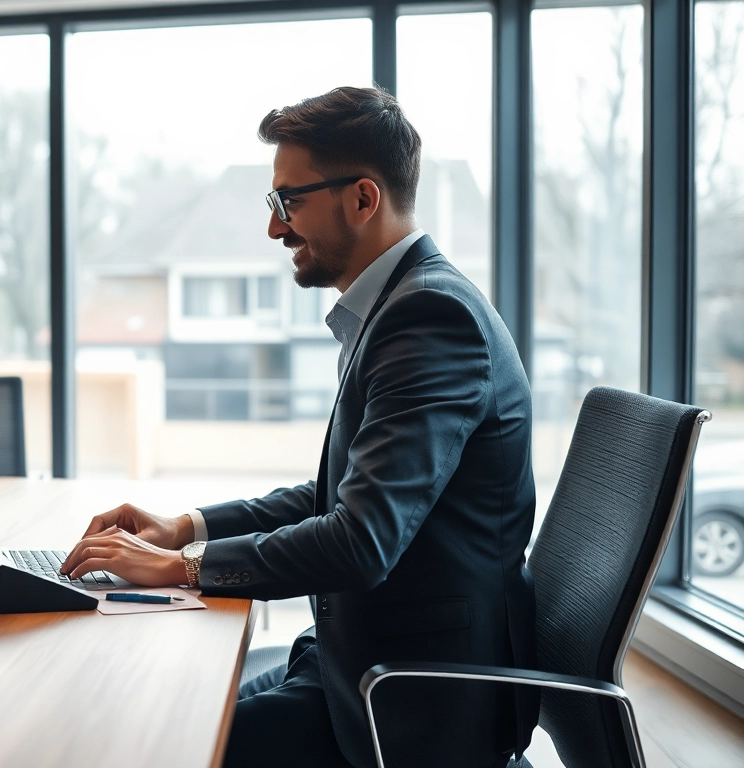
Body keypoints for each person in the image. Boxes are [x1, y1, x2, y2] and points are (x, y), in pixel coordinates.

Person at [60, 86, 539, 768]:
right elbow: (334, 498)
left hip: (410, 701)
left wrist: (181, 570)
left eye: (290, 202)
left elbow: (360, 541)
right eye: (273, 204)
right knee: (174, 711)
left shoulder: (431, 320)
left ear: (363, 199)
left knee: (163, 740)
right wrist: (186, 527)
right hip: (356, 662)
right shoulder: (397, 307)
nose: (276, 228)